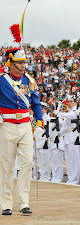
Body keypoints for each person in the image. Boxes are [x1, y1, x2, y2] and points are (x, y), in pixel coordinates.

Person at [0, 47, 43, 215]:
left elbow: (36, 102)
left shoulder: (29, 80)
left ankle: (24, 201)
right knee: (7, 166)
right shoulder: (2, 81)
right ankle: (6, 203)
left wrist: (39, 123)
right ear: (10, 63)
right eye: (19, 63)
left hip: (25, 125)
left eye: (24, 62)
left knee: (27, 163)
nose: (23, 65)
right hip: (7, 126)